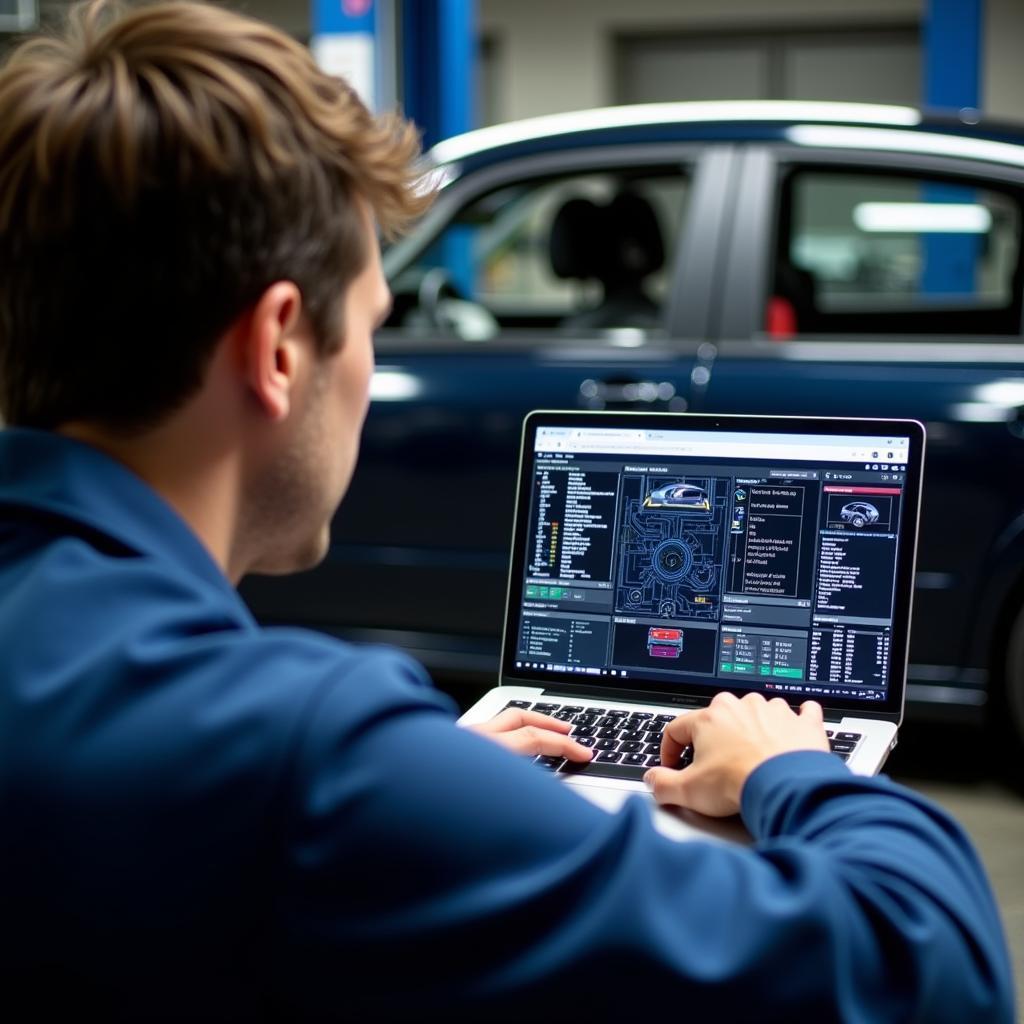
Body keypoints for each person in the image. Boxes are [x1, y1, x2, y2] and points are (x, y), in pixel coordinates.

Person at [0, 2, 1014, 1021]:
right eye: (370, 328)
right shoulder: (308, 761)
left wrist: (436, 784)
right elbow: (929, 969)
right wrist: (794, 771)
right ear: (277, 348)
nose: (367, 370)